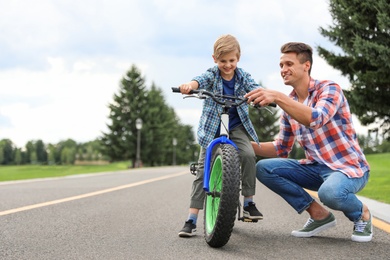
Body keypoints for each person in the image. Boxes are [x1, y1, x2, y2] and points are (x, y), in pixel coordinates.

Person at [245, 42, 372, 242]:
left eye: (289, 64)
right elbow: (281, 148)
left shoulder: (330, 89)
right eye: (281, 66)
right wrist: (242, 146)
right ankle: (319, 215)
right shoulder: (289, 105)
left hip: (348, 169)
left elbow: (316, 119)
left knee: (330, 193)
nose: (283, 70)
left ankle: (361, 214)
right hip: (315, 169)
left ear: (306, 66)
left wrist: (277, 97)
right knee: (264, 168)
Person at [177, 34, 263, 237]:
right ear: (215, 59)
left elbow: (254, 88)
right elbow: (199, 80)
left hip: (236, 127)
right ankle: (191, 219)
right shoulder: (212, 75)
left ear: (238, 58)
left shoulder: (242, 76)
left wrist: (261, 97)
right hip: (212, 128)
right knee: (201, 170)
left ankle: (249, 202)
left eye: (231, 60)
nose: (227, 65)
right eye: (223, 61)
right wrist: (190, 86)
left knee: (249, 155)